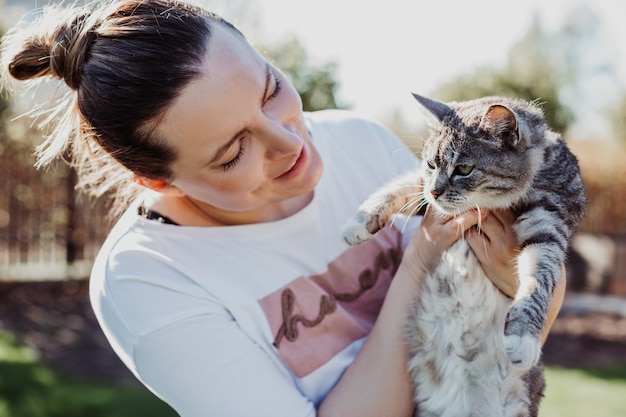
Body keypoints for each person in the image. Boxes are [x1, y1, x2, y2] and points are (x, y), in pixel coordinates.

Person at [0, 1, 566, 416]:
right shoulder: (148, 280)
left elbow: (528, 303)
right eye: (233, 152)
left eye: (270, 88)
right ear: (157, 180)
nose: (291, 142)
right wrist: (416, 264)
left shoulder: (359, 141)